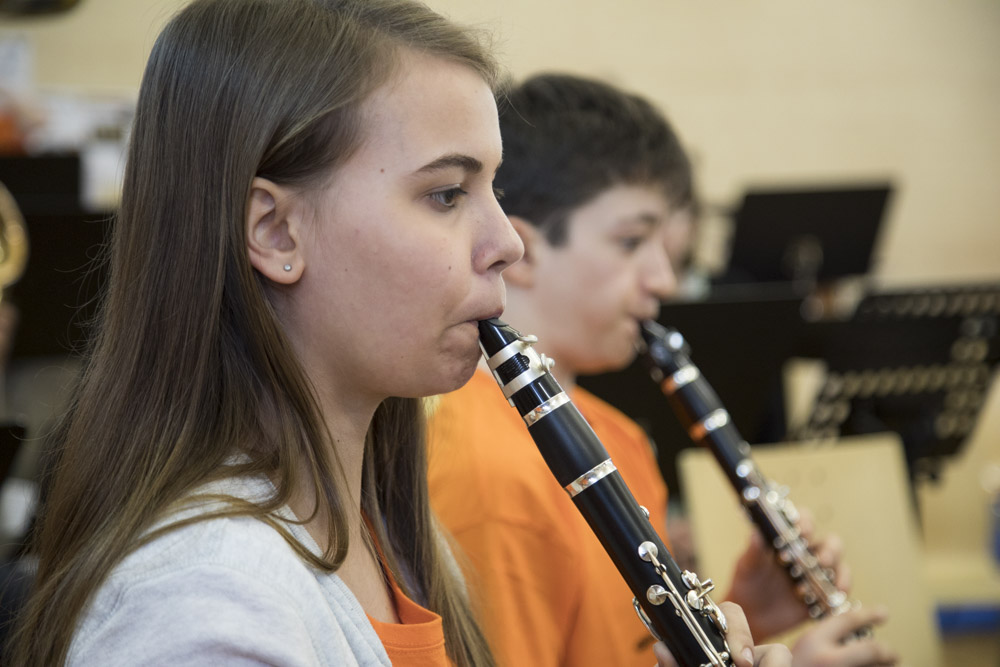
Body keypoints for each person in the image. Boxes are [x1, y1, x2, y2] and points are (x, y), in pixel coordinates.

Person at [4, 3, 787, 667]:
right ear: (276, 232)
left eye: (491, 188)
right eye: (447, 193)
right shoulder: (203, 610)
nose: (508, 243)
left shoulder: (389, 531)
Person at [427, 73, 896, 667]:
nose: (664, 282)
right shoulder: (483, 465)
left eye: (668, 253)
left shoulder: (615, 435)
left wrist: (750, 616)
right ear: (524, 250)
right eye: (631, 242)